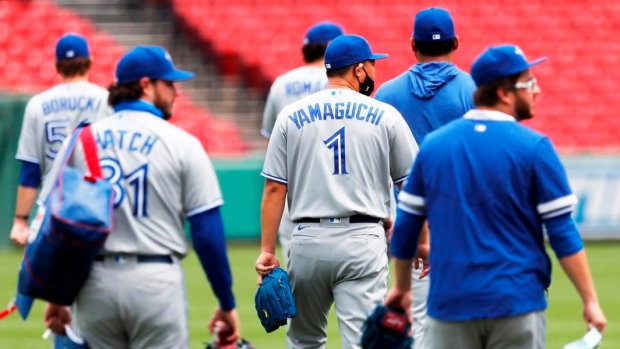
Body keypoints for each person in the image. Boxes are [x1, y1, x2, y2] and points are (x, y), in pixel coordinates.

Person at [385, 44, 607, 349]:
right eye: (528, 83)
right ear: (504, 93)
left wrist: (401, 287)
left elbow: (408, 224)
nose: (537, 90)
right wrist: (590, 299)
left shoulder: (435, 146)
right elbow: (562, 231)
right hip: (516, 303)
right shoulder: (534, 147)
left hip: (451, 303)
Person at [42, 45, 240, 349]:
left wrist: (58, 294)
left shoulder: (80, 141)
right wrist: (226, 301)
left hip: (95, 283)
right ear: (146, 85)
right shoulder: (182, 143)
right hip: (155, 280)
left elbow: (57, 225)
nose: (176, 91)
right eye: (169, 83)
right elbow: (206, 231)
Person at [255, 34, 419, 349]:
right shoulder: (384, 114)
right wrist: (422, 241)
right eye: (371, 64)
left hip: (307, 239)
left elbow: (275, 187)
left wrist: (267, 250)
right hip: (362, 238)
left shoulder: (291, 115)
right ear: (358, 69)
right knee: (361, 342)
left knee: (304, 340)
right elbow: (410, 185)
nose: (374, 71)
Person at [373, 7, 476, 345]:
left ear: (413, 44)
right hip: (469, 226)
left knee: (418, 328)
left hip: (410, 228)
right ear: (456, 42)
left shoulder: (387, 95)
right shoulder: (475, 92)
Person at [10, 33, 112, 246]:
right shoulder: (108, 100)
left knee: (52, 277)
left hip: (54, 208)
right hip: (98, 206)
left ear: (57, 66)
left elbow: (31, 170)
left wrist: (20, 220)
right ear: (90, 62)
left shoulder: (37, 104)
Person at [261, 21, 344, 266]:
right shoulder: (344, 80)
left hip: (294, 190)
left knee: (298, 272)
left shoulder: (282, 83)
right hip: (342, 184)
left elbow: (271, 143)